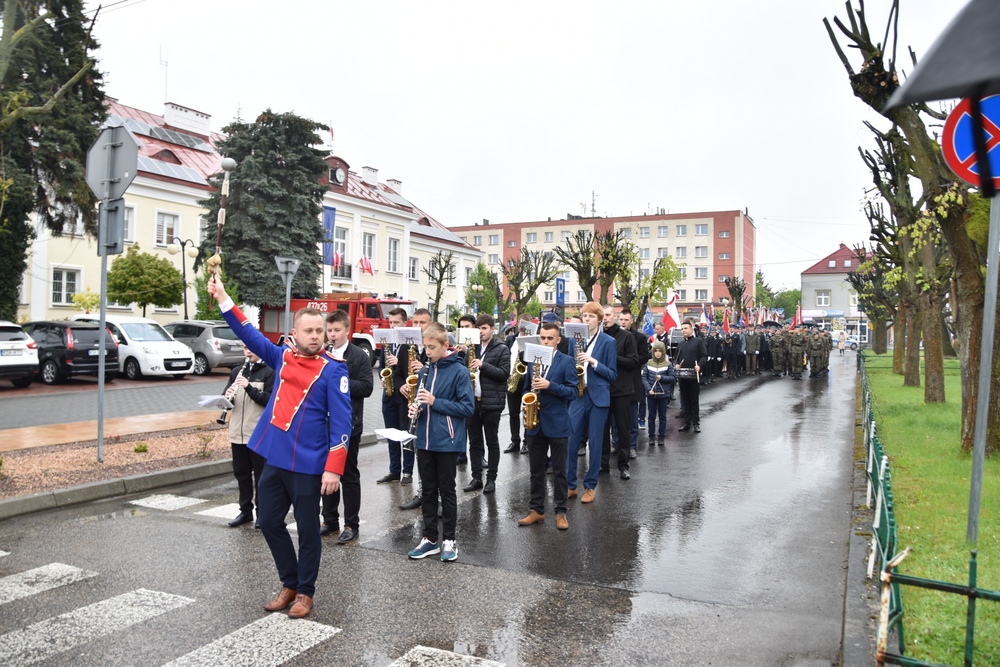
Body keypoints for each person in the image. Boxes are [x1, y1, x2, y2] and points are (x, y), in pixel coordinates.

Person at [207, 275, 350, 619]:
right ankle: (289, 581)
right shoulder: (282, 358)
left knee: (308, 530)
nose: (315, 337)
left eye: (320, 331)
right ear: (295, 334)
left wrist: (334, 467)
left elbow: (344, 423)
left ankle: (305, 592)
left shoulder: (334, 371)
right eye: (309, 331)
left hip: (310, 463)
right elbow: (247, 333)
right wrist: (224, 296)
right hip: (276, 458)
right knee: (269, 522)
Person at [406, 323, 475, 562]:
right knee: (427, 491)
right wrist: (415, 408)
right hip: (424, 440)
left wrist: (435, 401)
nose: (427, 352)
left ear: (446, 346)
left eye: (432, 347)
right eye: (425, 347)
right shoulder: (425, 371)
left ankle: (449, 540)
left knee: (446, 491)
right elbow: (422, 402)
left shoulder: (459, 371)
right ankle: (430, 539)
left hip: (447, 440)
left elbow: (468, 408)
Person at [517, 322, 577, 530]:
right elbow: (525, 390)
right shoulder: (533, 360)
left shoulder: (567, 361)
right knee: (535, 470)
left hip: (558, 423)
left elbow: (573, 392)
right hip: (535, 423)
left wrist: (550, 386)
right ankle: (537, 510)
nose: (545, 341)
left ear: (558, 340)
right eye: (542, 337)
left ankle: (561, 512)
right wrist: (528, 398)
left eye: (550, 338)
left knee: (560, 471)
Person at [320, 310, 373, 543]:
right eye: (329, 331)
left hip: (349, 425)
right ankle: (329, 520)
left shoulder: (359, 355)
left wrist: (339, 382)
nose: (332, 335)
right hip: (324, 425)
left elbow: (366, 387)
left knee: (348, 475)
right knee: (325, 473)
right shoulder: (322, 354)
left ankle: (351, 524)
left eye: (337, 330)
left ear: (347, 330)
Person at [566, 302, 617, 503]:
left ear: (599, 319)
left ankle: (590, 486)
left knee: (595, 444)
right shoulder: (573, 341)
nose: (586, 319)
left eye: (591, 316)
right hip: (578, 395)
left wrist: (593, 362)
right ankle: (571, 485)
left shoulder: (608, 341)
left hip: (598, 397)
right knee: (570, 441)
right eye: (584, 316)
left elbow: (613, 374)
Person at [223, 347, 275, 528]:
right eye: (245, 348)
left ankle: (262, 514)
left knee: (261, 476)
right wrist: (226, 399)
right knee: (241, 474)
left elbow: (269, 400)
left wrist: (248, 387)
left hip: (258, 433)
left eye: (251, 348)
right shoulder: (237, 371)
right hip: (238, 432)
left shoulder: (269, 371)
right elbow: (226, 399)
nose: (248, 352)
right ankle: (245, 512)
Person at [463, 314, 511, 494]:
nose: (481, 332)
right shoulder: (471, 348)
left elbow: (504, 373)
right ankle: (476, 477)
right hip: (473, 402)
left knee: (492, 442)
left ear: (492, 329)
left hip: (492, 403)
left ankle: (491, 479)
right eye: (478, 328)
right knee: (474, 442)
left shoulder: (501, 348)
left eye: (484, 328)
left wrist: (482, 365)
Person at [398, 308, 433, 510]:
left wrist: (424, 368)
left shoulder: (434, 348)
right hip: (412, 404)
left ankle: (433, 497)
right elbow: (396, 373)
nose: (418, 327)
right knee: (419, 453)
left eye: (423, 323)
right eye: (415, 322)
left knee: (431, 458)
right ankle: (421, 493)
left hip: (430, 405)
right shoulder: (406, 347)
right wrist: (402, 383)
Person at [377, 307, 414, 485]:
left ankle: (407, 472)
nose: (392, 326)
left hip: (405, 395)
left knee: (405, 434)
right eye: (390, 322)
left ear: (405, 323)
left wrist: (399, 362)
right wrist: (383, 379)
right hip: (389, 395)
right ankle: (394, 470)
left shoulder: (409, 344)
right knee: (391, 435)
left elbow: (413, 369)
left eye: (396, 323)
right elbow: (381, 366)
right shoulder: (388, 343)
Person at [601, 305, 636, 480]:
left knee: (622, 429)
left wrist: (610, 358)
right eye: (603, 315)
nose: (605, 318)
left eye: (608, 315)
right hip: (602, 389)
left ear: (615, 316)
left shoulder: (626, 336)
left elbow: (633, 361)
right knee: (602, 430)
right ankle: (603, 465)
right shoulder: (597, 337)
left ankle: (623, 466)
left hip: (621, 390)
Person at [618, 310, 649, 452]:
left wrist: (631, 359)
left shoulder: (639, 338)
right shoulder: (614, 336)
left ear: (632, 321)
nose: (623, 322)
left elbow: (644, 357)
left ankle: (631, 446)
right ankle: (615, 443)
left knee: (631, 415)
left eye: (626, 319)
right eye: (621, 319)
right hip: (617, 381)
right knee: (616, 418)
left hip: (633, 379)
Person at [676, 319, 707, 433]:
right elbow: (677, 358)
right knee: (686, 400)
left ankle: (696, 423)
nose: (683, 331)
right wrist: (676, 365)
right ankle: (686, 423)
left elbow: (704, 356)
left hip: (694, 375)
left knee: (694, 400)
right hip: (683, 376)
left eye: (685, 328)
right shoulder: (681, 344)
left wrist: (699, 365)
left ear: (691, 329)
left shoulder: (698, 342)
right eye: (682, 329)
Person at [642, 341, 674, 445]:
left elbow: (672, 378)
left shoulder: (668, 364)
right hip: (651, 394)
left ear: (663, 352)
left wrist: (662, 378)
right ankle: (651, 436)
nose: (658, 353)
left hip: (663, 394)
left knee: (662, 417)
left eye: (660, 351)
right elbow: (644, 377)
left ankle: (661, 437)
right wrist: (648, 389)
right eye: (655, 351)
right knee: (651, 416)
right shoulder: (648, 363)